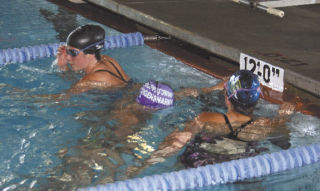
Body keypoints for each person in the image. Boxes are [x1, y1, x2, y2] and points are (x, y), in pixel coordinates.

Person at [127, 70, 295, 174]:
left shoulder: (207, 119)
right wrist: (283, 117)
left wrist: (143, 165)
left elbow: (178, 141)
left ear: (226, 98)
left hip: (196, 165)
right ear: (256, 100)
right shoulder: (265, 126)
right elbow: (284, 139)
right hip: (236, 170)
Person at [56, 24, 130, 94]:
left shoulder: (89, 81)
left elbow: (59, 100)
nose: (68, 57)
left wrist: (62, 69)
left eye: (73, 52)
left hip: (127, 106)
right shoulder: (107, 60)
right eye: (67, 51)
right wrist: (63, 66)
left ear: (90, 55)